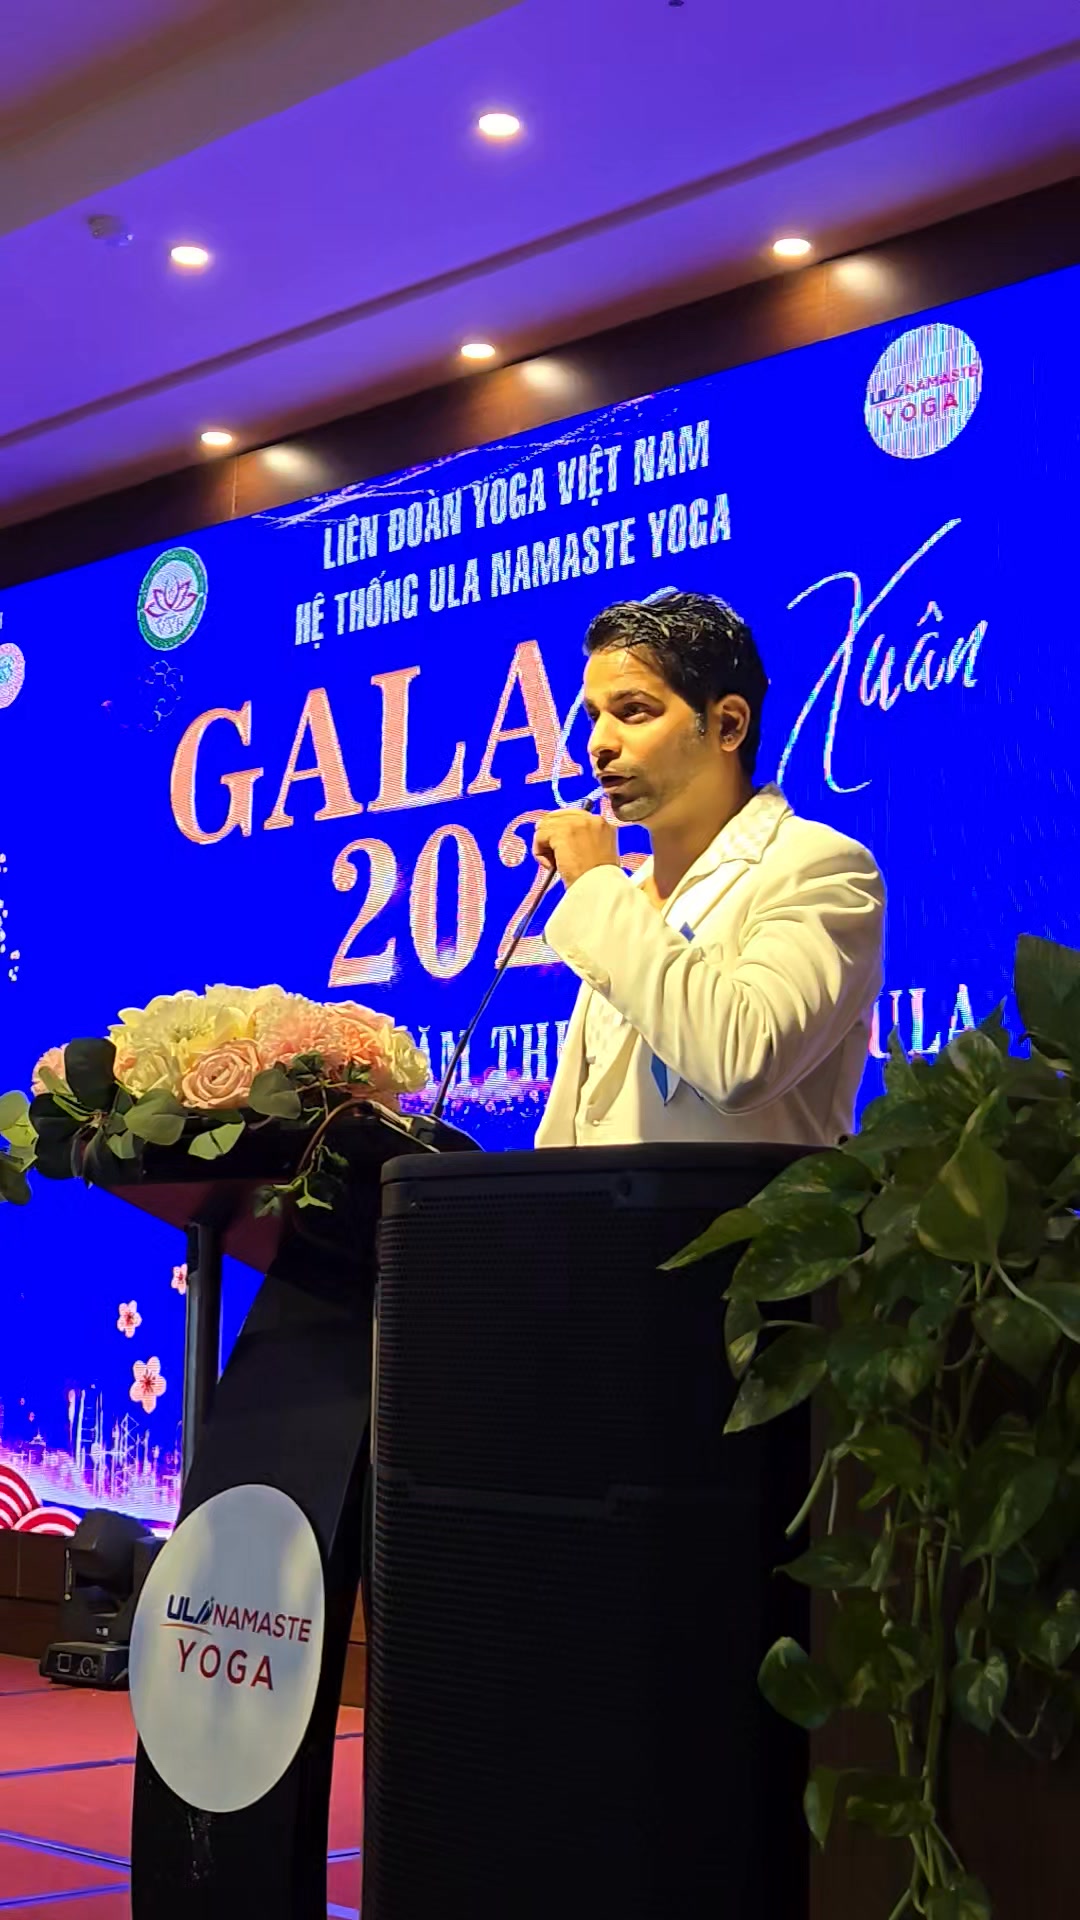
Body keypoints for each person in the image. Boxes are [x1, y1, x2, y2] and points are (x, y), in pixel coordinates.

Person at [532, 590, 884, 1148]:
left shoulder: (819, 867)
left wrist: (596, 883)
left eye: (633, 711)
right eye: (596, 716)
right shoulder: (629, 896)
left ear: (728, 725)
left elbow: (744, 1061)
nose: (599, 744)